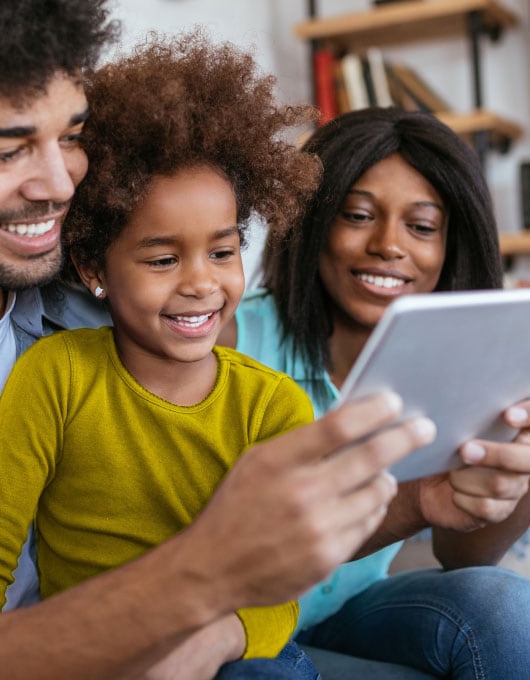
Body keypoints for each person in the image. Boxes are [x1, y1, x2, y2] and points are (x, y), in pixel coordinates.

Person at [0, 0, 437, 680]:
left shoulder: (101, 294)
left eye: (72, 135)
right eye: (5, 150)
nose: (57, 184)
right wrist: (199, 580)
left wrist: (424, 498)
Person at [0, 32, 325, 678]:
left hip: (227, 653)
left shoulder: (274, 404)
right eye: (163, 258)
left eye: (224, 252)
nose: (202, 282)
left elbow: (283, 588)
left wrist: (212, 645)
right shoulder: (57, 374)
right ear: (94, 265)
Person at [225, 106, 530, 679]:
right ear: (313, 224)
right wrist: (412, 502)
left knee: (508, 608)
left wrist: (521, 469)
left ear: (451, 245)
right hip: (233, 618)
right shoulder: (231, 338)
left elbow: (461, 555)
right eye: (358, 215)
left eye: (421, 226)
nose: (389, 246)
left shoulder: (462, 359)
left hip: (344, 611)